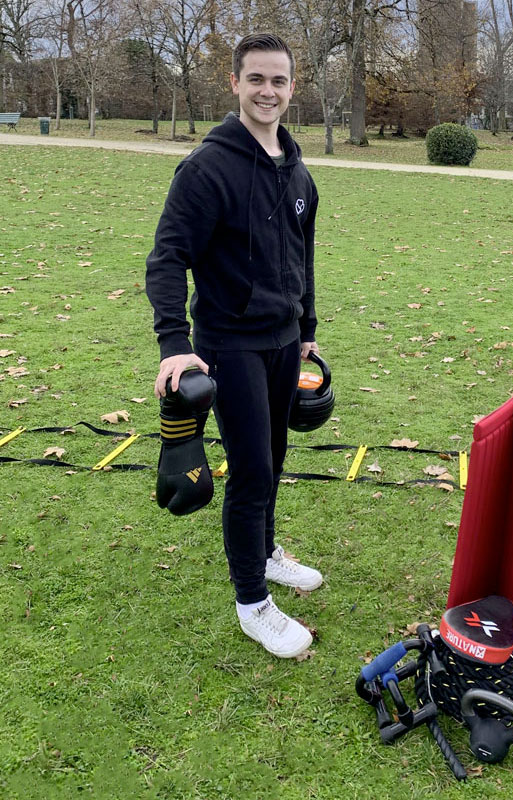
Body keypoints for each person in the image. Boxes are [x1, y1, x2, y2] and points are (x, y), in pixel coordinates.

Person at [145, 32, 322, 659]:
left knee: (272, 460)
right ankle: (253, 603)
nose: (267, 91)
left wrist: (307, 330)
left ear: (292, 88)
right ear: (235, 84)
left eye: (279, 81)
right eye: (256, 80)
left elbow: (302, 257)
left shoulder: (298, 171)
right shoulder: (206, 170)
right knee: (250, 470)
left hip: (281, 343)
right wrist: (174, 343)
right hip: (229, 344)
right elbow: (167, 258)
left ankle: (266, 552)